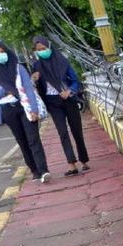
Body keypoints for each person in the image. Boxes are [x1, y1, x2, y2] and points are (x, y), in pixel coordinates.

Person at [0, 40, 51, 182]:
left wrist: (34, 109)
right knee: (22, 141)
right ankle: (34, 170)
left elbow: (28, 89)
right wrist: (5, 90)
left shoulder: (18, 68)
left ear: (7, 52)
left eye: (2, 52)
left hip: (24, 106)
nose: (0, 55)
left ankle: (44, 170)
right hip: (8, 110)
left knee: (33, 139)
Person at [31, 36, 90, 175]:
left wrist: (69, 91)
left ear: (49, 47)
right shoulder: (36, 66)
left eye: (44, 48)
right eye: (38, 50)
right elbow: (34, 87)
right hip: (52, 102)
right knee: (62, 132)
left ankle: (84, 160)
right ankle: (71, 164)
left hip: (69, 100)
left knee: (77, 131)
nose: (41, 51)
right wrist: (33, 79)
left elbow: (75, 81)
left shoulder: (63, 62)